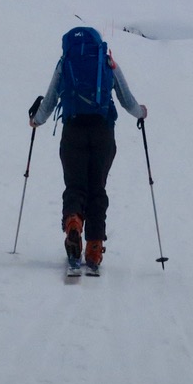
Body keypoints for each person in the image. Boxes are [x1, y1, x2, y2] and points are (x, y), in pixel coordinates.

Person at [30, 27, 147, 272]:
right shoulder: (106, 60)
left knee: (75, 185)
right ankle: (94, 248)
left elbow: (50, 98)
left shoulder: (65, 63)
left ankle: (74, 220)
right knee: (97, 188)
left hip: (73, 130)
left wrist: (37, 120)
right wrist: (141, 112)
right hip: (103, 132)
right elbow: (126, 98)